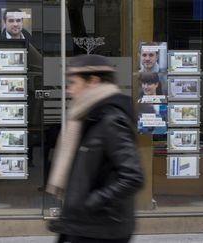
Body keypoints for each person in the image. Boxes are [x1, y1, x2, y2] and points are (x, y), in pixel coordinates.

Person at [46, 54, 144, 243]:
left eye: (73, 83)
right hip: (84, 225)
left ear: (93, 81)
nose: (69, 90)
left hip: (102, 230)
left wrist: (91, 202)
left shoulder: (111, 120)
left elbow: (133, 177)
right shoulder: (88, 116)